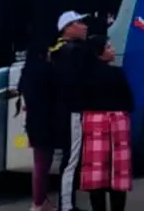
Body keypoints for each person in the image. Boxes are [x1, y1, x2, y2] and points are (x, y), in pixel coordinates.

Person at [79, 35, 134, 211]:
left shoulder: (83, 75)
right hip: (116, 124)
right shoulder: (116, 73)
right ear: (99, 52)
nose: (113, 50)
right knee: (117, 172)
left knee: (96, 173)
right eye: (109, 47)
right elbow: (129, 102)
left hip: (93, 124)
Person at [50, 11, 93, 211]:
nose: (84, 26)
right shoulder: (73, 52)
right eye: (79, 23)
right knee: (71, 159)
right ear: (68, 28)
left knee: (70, 157)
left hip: (64, 111)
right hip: (72, 111)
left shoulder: (57, 50)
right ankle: (66, 206)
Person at [19, 29, 58, 211]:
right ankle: (38, 202)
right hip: (46, 121)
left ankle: (41, 200)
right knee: (43, 164)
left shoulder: (27, 71)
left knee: (40, 162)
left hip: (33, 121)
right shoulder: (45, 70)